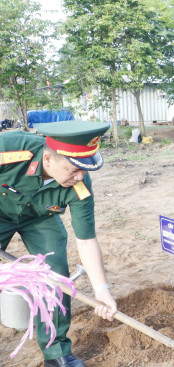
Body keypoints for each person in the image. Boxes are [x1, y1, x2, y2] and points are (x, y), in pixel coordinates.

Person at [0, 121, 117, 367]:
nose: (80, 176)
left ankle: (56, 353)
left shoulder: (80, 185)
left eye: (85, 170)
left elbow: (86, 240)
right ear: (49, 159)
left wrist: (102, 290)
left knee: (56, 279)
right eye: (74, 169)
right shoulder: (8, 149)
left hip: (40, 219)